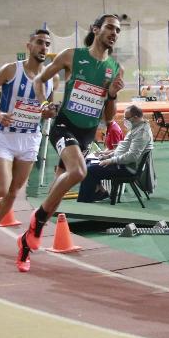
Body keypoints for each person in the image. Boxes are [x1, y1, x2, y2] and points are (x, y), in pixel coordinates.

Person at [21, 14, 124, 273]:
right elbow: (38, 80)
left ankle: (25, 244)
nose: (115, 33)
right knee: (79, 171)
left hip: (87, 134)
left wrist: (111, 95)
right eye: (110, 27)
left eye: (118, 30)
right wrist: (44, 104)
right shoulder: (71, 55)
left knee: (55, 195)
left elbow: (108, 118)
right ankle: (37, 221)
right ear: (96, 29)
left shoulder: (115, 68)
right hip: (64, 125)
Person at [0, 30, 57, 255]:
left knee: (12, 194)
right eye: (39, 42)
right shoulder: (11, 70)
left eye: (47, 44)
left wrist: (48, 113)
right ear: (28, 46)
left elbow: (45, 109)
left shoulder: (52, 77)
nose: (44, 47)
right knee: (0, 189)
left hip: (30, 139)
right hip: (6, 137)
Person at [77, 104, 152, 203]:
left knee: (90, 169)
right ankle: (98, 192)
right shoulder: (136, 127)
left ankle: (85, 200)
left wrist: (111, 160)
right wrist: (108, 155)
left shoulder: (142, 132)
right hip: (122, 163)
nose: (125, 120)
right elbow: (122, 148)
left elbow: (132, 156)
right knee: (89, 164)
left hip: (127, 168)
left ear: (136, 117)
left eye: (127, 118)